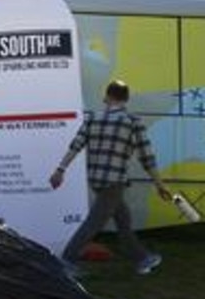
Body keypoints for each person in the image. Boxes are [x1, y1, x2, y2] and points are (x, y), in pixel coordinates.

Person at [49, 79, 172, 276]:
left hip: (96, 181)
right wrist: (160, 184)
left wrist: (60, 170)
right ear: (126, 99)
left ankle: (142, 258)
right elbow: (146, 158)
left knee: (123, 219)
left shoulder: (92, 118)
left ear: (107, 96)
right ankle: (66, 261)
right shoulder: (133, 122)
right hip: (114, 182)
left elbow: (75, 146)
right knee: (94, 224)